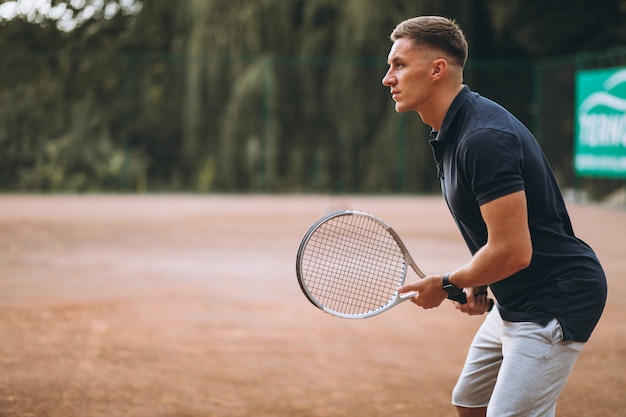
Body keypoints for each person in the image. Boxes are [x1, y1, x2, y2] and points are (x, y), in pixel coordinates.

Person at [382, 16, 607, 417]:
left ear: (437, 70)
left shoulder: (482, 138)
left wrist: (447, 282)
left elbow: (513, 251)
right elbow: (499, 243)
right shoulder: (454, 131)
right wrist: (479, 282)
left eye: (399, 64)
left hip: (555, 299)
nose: (388, 78)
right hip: (516, 298)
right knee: (470, 403)